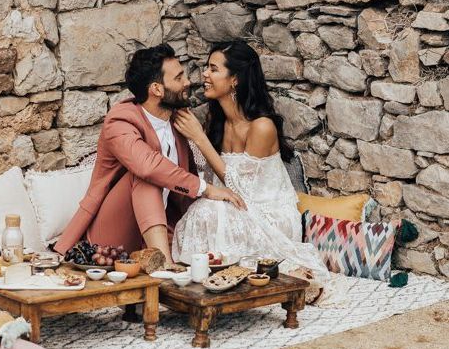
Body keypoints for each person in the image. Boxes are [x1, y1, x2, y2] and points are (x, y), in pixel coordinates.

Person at [172, 41, 345, 305]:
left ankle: (285, 274)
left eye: (213, 69)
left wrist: (199, 139)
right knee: (204, 208)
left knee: (210, 209)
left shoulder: (262, 127)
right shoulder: (217, 122)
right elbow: (209, 175)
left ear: (235, 80)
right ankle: (211, 280)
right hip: (234, 207)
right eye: (206, 67)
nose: (204, 74)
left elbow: (243, 193)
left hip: (270, 215)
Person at [54, 44, 245, 265]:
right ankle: (164, 266)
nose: (188, 82)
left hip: (160, 233)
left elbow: (180, 191)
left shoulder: (179, 120)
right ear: (157, 89)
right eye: (179, 77)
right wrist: (207, 189)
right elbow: (148, 166)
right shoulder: (120, 119)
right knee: (146, 175)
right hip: (109, 239)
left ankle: (166, 259)